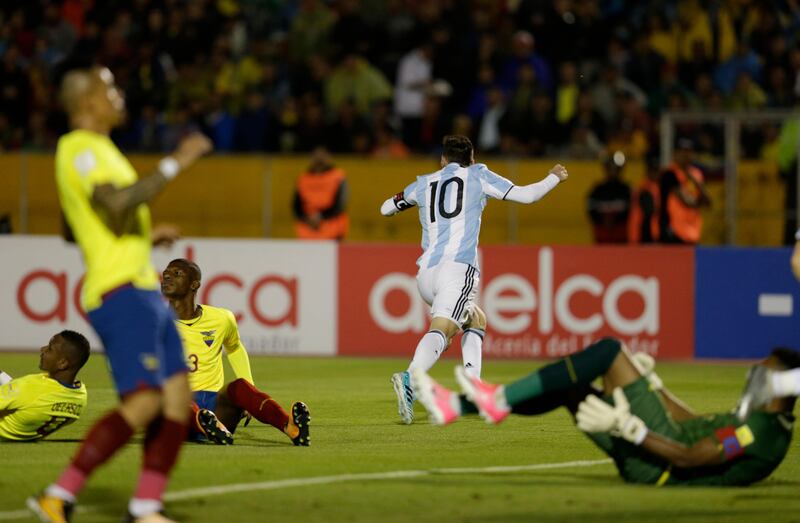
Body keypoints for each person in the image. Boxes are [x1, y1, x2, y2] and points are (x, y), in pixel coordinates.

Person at [29, 66, 212, 523]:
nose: (118, 94)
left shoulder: (103, 149)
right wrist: (179, 161)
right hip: (118, 291)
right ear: (87, 100)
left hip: (143, 285)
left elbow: (74, 228)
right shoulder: (79, 147)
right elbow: (113, 202)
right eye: (109, 87)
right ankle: (58, 496)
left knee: (174, 401)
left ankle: (145, 507)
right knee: (145, 401)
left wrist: (141, 239)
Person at [413, 338, 798, 486]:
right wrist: (656, 386)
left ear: (780, 389)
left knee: (609, 352)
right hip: (658, 445)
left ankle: (496, 401)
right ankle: (456, 406)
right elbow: (693, 425)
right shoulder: (765, 422)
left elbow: (690, 458)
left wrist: (632, 430)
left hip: (658, 465)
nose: (753, 382)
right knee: (571, 389)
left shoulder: (757, 432)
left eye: (762, 376)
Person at [380, 134, 568, 424]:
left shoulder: (423, 183)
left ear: (443, 160)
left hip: (425, 274)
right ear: (472, 159)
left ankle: (474, 389)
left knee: (475, 319)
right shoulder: (478, 175)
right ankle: (411, 378)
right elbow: (527, 196)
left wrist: (402, 203)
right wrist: (554, 177)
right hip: (457, 270)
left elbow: (386, 208)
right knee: (443, 328)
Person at [161, 258, 310, 446]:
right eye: (165, 273)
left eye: (176, 273)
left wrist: (250, 392)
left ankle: (291, 428)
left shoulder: (221, 318)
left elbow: (235, 348)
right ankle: (207, 426)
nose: (167, 276)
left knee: (240, 387)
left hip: (216, 406)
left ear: (194, 284)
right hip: (179, 410)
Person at [0, 331, 90, 442]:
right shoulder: (80, 396)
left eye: (50, 349)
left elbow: (26, 394)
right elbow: (26, 401)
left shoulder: (30, 387)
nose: (43, 349)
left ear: (62, 363)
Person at [659, 138, 711, 244]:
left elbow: (708, 201)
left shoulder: (696, 174)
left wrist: (693, 179)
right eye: (682, 152)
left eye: (688, 152)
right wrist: (700, 202)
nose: (685, 155)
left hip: (693, 231)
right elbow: (687, 202)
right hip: (673, 231)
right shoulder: (669, 174)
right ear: (675, 154)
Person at [293, 147, 349, 240]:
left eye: (322, 155)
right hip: (307, 231)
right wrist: (307, 218)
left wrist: (321, 216)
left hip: (333, 230)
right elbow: (296, 205)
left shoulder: (337, 176)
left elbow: (340, 204)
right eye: (316, 156)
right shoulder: (303, 178)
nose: (319, 159)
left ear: (329, 157)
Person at [587, 151, 631, 243]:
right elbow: (591, 210)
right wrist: (603, 221)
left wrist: (615, 220)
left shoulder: (626, 190)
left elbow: (631, 211)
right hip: (602, 237)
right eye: (610, 168)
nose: (613, 171)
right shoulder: (597, 190)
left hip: (621, 237)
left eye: (615, 169)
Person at [628, 158, 661, 243]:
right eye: (652, 171)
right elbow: (649, 212)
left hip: (649, 230)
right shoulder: (644, 189)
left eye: (656, 171)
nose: (655, 174)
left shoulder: (655, 187)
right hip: (645, 231)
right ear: (648, 172)